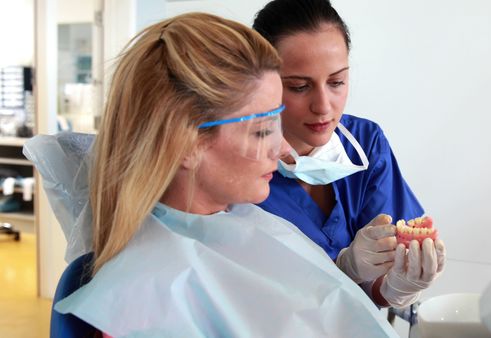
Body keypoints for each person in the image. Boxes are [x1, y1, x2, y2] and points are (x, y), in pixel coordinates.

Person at [27, 12, 398, 337]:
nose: (284, 150)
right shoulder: (149, 299)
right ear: (186, 142)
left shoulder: (245, 225)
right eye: (262, 130)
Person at [253, 0, 446, 308]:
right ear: (261, 82)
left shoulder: (366, 144)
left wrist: (398, 285)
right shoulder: (239, 170)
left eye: (337, 82)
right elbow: (245, 299)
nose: (324, 106)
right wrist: (342, 269)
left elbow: (376, 289)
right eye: (300, 87)